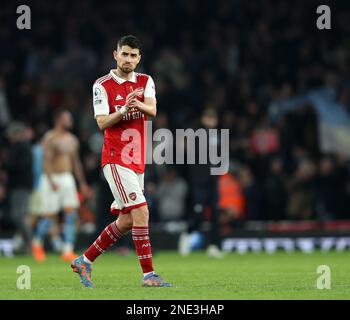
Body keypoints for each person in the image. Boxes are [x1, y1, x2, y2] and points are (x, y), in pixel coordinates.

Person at [71, 35, 172, 288]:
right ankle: (149, 275)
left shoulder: (145, 81)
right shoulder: (102, 85)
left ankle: (85, 260)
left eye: (133, 55)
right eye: (124, 54)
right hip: (115, 159)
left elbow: (153, 111)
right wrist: (124, 110)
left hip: (137, 160)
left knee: (127, 220)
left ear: (139, 58)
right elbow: (102, 122)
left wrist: (134, 103)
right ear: (115, 55)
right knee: (142, 211)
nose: (128, 59)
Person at [31, 109, 91, 262]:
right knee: (50, 216)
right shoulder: (50, 138)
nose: (70, 121)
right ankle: (37, 243)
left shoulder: (72, 140)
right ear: (58, 120)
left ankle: (67, 249)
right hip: (52, 178)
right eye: (67, 118)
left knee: (71, 214)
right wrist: (51, 180)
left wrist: (82, 183)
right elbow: (46, 161)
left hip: (67, 178)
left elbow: (76, 162)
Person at [5, 122, 33, 253]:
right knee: (19, 215)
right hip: (19, 185)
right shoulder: (21, 146)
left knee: (18, 215)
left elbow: (18, 166)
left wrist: (6, 165)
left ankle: (31, 244)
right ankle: (26, 244)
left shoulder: (21, 147)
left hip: (21, 185)